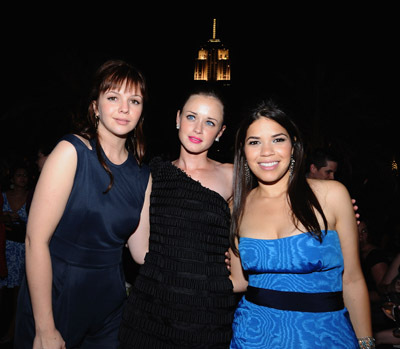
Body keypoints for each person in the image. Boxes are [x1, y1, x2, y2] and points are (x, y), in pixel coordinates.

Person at [14, 59, 151, 349]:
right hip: (57, 293)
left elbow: (141, 253)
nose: (124, 108)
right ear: (95, 107)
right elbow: (35, 240)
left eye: (134, 100)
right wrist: (44, 328)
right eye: (113, 97)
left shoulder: (143, 175)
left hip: (110, 303)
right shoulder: (71, 152)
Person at [228, 99, 374, 348]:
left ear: (294, 145)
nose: (266, 151)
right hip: (252, 336)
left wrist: (367, 343)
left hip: (324, 337)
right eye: (254, 142)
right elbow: (239, 281)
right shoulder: (236, 206)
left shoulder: (332, 195)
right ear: (243, 151)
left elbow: (352, 279)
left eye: (278, 139)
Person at [119, 88, 238, 348]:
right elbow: (140, 253)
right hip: (150, 311)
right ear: (177, 118)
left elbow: (273, 205)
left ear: (220, 132)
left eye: (209, 122)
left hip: (206, 313)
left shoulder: (234, 176)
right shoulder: (151, 175)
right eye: (191, 117)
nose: (197, 129)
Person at [0, 163, 30, 345]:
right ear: (12, 179)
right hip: (4, 247)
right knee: (3, 292)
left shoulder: (31, 197)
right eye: (19, 174)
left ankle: (12, 332)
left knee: (18, 294)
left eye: (25, 175)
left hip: (22, 249)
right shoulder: (3, 197)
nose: (22, 178)